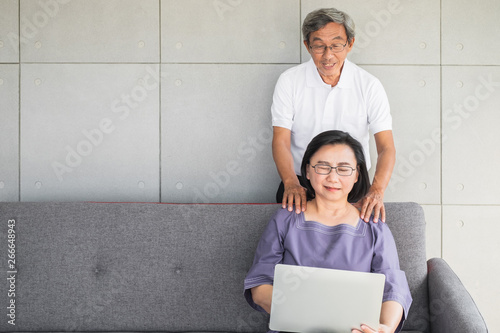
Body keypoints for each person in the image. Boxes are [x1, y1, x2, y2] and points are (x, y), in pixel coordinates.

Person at [245, 130, 411, 333]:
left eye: (344, 169)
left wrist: (385, 328)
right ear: (307, 171)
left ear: (357, 174)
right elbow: (260, 285)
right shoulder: (284, 220)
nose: (333, 177)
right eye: (323, 166)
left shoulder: (374, 227)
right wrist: (303, 312)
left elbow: (394, 289)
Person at [272, 8, 395, 223]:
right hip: (303, 183)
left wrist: (376, 191)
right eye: (319, 46)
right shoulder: (289, 81)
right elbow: (280, 141)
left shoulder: (369, 85)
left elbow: (386, 147)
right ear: (307, 46)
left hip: (352, 184)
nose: (328, 55)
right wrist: (291, 183)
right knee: (293, 243)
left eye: (336, 45)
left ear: (350, 44)